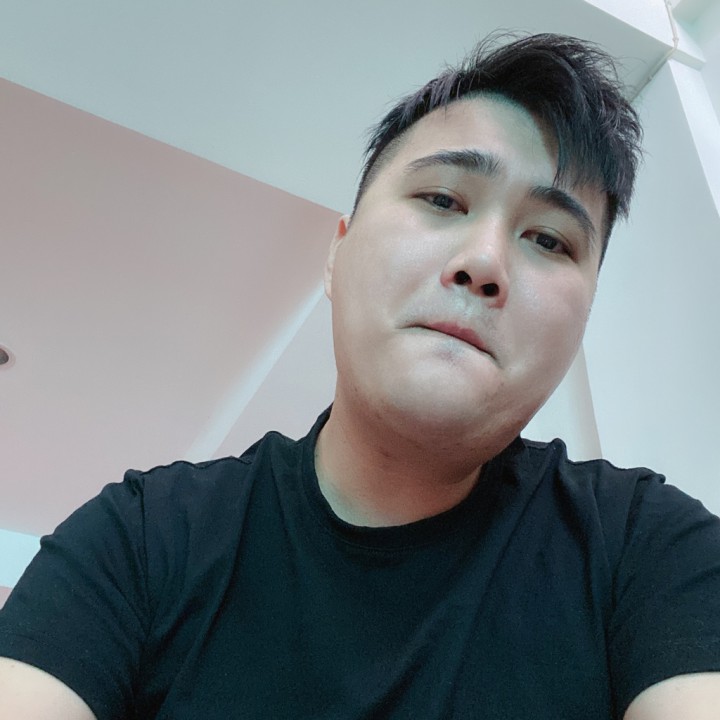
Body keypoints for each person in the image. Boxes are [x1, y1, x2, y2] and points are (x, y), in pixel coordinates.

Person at [1, 32, 719, 720]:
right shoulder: (140, 540)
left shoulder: (649, 551)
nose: (484, 263)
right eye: (442, 200)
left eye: (549, 240)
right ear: (336, 256)